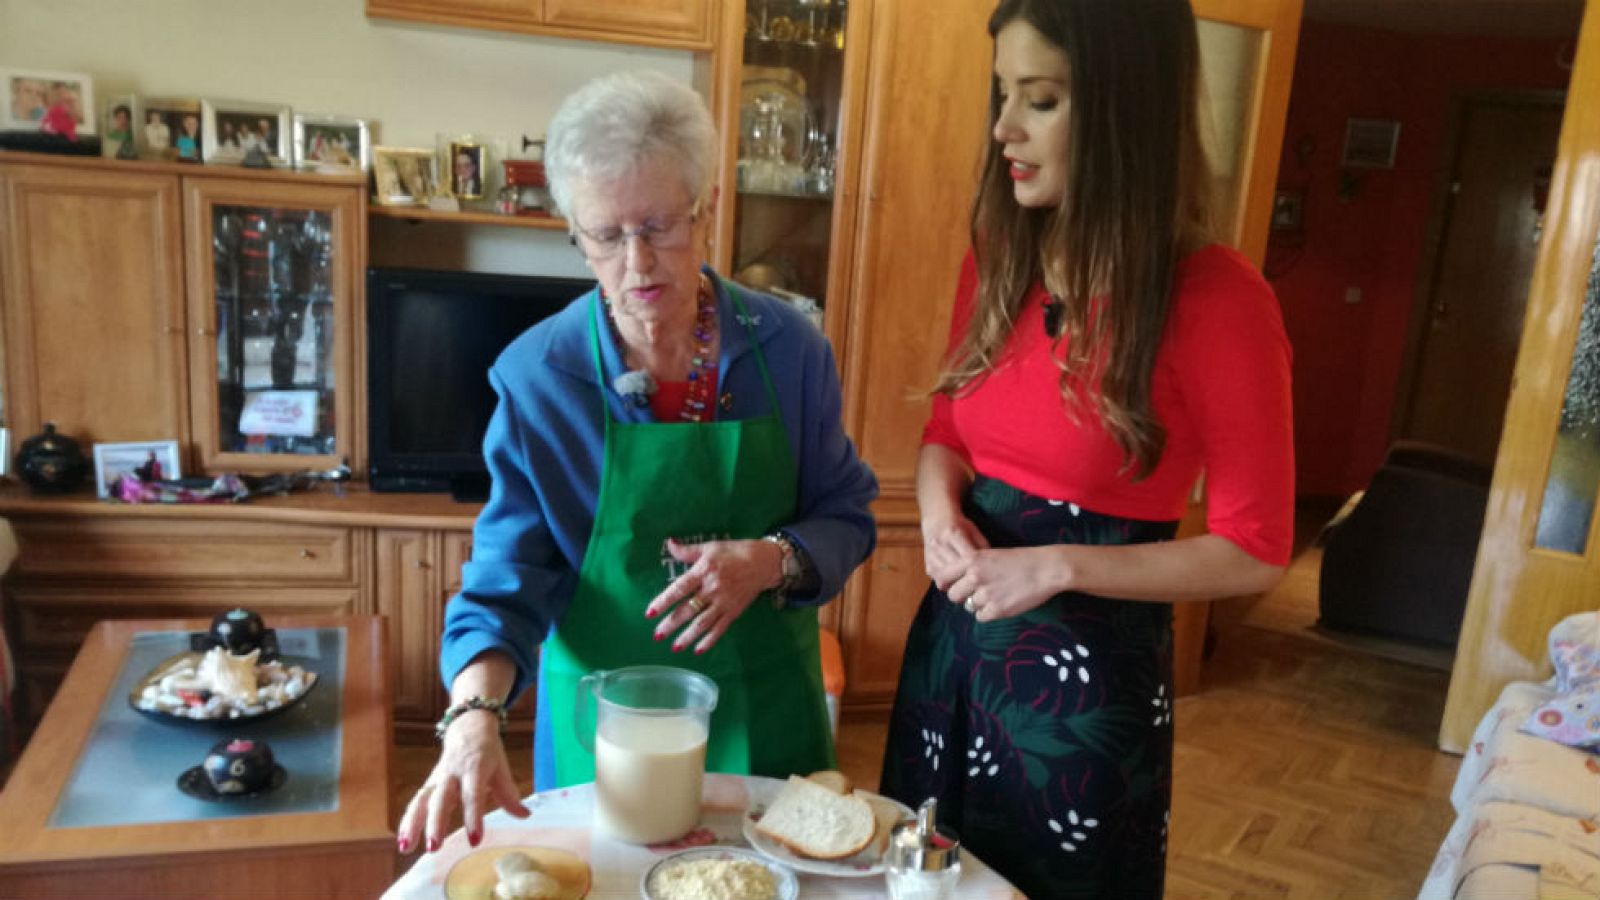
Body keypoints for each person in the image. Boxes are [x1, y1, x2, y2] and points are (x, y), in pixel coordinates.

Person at [396, 70, 878, 855]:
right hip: (605, 740)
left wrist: (773, 559)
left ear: (708, 208)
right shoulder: (538, 377)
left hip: (765, 714)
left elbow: (848, 515)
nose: (638, 262)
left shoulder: (789, 353)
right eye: (605, 235)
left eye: (660, 225)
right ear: (575, 234)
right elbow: (504, 583)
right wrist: (473, 717)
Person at [876, 2, 1294, 898]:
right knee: (917, 881)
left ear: (1122, 111)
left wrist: (1057, 566)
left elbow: (1255, 549)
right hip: (951, 654)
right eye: (1004, 94)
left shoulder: (1218, 298)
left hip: (1085, 690)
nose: (1004, 129)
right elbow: (946, 433)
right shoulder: (999, 253)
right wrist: (938, 510)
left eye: (1043, 99)